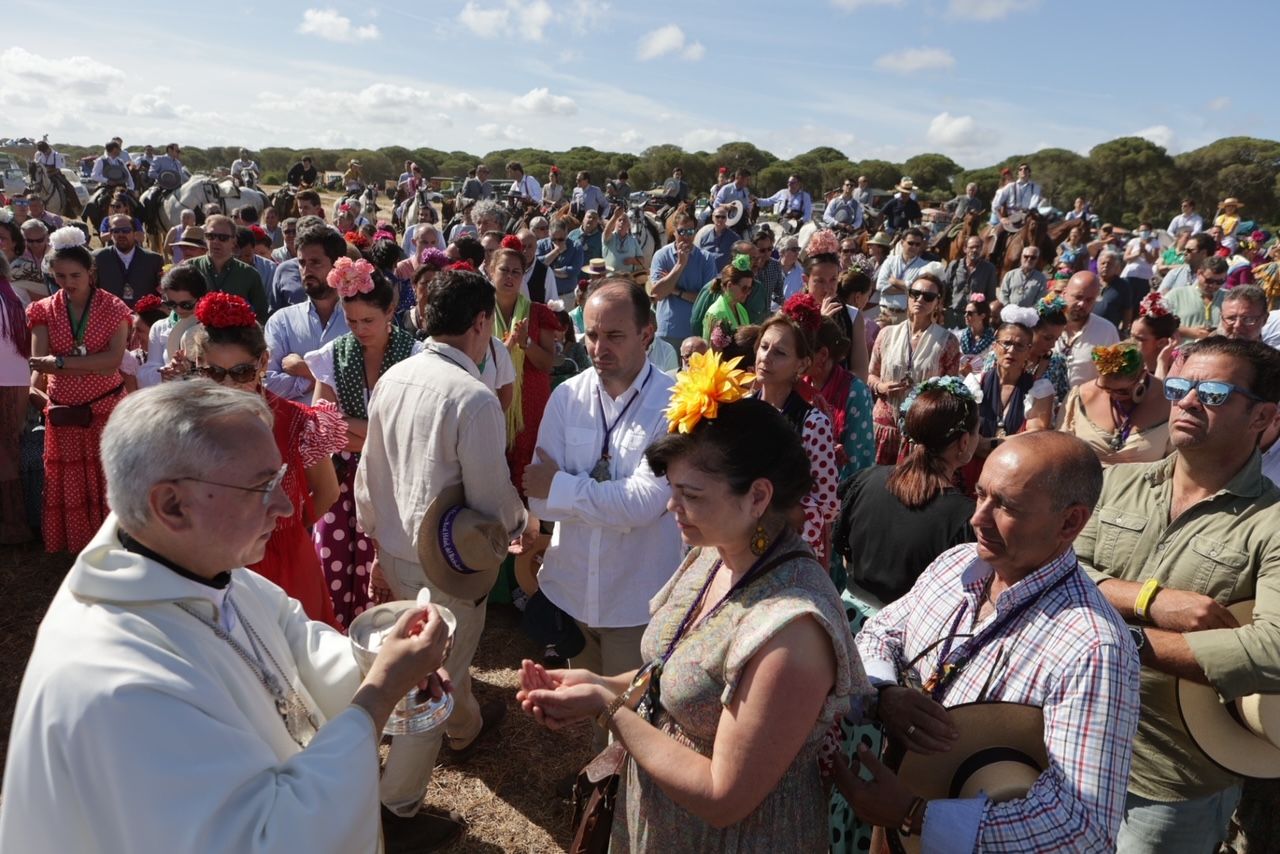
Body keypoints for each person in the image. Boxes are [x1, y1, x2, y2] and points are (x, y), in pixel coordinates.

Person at [0, 379, 458, 854]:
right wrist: (377, 694)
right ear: (172, 504)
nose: (286, 506)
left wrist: (377, 662)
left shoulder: (199, 564)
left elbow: (292, 638)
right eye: (262, 486)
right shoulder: (118, 683)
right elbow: (262, 841)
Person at [518, 390, 866, 852]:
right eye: (672, 490)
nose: (670, 507)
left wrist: (608, 704)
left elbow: (724, 796)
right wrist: (598, 681)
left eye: (691, 494)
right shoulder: (714, 553)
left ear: (759, 496)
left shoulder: (793, 628)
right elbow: (675, 673)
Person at [846, 431, 1141, 852]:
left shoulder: (1092, 649)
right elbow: (881, 631)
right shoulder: (956, 564)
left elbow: (1081, 829)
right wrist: (884, 693)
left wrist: (915, 815)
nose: (977, 518)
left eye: (1005, 506)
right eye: (980, 494)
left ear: (1070, 522)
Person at [1076, 336, 1280, 853]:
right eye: (1179, 386)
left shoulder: (1273, 524)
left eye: (1212, 393)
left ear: (1263, 418)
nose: (1187, 401)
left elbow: (1273, 651)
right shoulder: (1117, 483)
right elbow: (1056, 571)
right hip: (1070, 746)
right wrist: (1151, 601)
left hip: (1170, 783)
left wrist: (1123, 640)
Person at [354, 266, 527, 845]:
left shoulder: (395, 377)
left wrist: (376, 544)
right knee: (432, 687)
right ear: (481, 323)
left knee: (429, 672)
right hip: (448, 562)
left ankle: (467, 727)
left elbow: (367, 474)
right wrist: (520, 525)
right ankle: (394, 811)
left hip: (398, 549)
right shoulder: (473, 398)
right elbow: (489, 499)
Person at [523, 280, 680, 724]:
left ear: (647, 333)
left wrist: (565, 487)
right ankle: (596, 788)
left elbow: (646, 503)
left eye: (614, 335)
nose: (598, 347)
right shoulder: (567, 397)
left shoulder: (673, 405)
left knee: (632, 721)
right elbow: (539, 502)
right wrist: (585, 496)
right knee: (589, 710)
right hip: (573, 590)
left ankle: (621, 792)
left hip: (636, 600)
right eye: (591, 335)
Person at [183, 293, 344, 627]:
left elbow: (326, 492)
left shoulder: (296, 421)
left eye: (240, 372)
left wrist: (286, 527)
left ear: (263, 362)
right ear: (196, 365)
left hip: (285, 562)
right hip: (215, 561)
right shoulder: (187, 422)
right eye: (213, 373)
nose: (227, 385)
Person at [304, 260, 423, 630]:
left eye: (368, 321)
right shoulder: (333, 354)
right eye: (352, 321)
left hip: (394, 482)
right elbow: (321, 424)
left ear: (390, 311)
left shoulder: (416, 356)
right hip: (340, 481)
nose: (359, 330)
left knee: (388, 569)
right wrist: (375, 431)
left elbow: (406, 433)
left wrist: (353, 428)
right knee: (334, 564)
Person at [25, 227, 131, 552]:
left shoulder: (113, 307)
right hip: (64, 414)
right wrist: (81, 364)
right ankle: (80, 546)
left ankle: (116, 543)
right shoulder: (43, 309)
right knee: (69, 481)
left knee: (108, 475)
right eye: (60, 276)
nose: (68, 283)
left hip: (105, 409)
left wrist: (58, 363)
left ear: (91, 272)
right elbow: (36, 365)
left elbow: (113, 362)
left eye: (75, 275)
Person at [836, 377, 978, 608]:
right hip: (907, 633)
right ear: (963, 442)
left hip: (847, 617)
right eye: (976, 432)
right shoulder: (963, 516)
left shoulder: (867, 479)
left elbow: (846, 555)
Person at [753, 310, 840, 566]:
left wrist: (778, 513)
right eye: (764, 347)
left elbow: (828, 505)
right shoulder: (741, 409)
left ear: (801, 365)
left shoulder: (812, 423)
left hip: (786, 550)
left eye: (779, 353)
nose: (766, 357)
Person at [868, 272, 961, 463]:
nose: (920, 299)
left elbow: (951, 389)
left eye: (928, 296)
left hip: (920, 428)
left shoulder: (947, 341)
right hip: (883, 424)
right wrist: (880, 387)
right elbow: (870, 374)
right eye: (915, 293)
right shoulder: (886, 334)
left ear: (938, 302)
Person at [962, 306, 1055, 486]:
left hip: (1015, 473)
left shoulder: (1040, 389)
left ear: (1029, 351)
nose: (1011, 351)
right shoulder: (974, 382)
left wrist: (990, 444)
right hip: (974, 471)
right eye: (1006, 343)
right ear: (995, 346)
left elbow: (1036, 434)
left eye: (1020, 346)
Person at [264, 226, 350, 404]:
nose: (306, 271)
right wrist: (316, 378)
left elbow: (368, 384)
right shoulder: (282, 321)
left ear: (337, 266)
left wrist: (302, 369)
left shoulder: (359, 321)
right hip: (294, 428)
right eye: (302, 263)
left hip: (345, 429)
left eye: (315, 262)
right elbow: (268, 383)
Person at [1062, 341, 1170, 466]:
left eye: (1122, 391)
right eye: (1105, 388)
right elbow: (1062, 448)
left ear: (1142, 376)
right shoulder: (1080, 396)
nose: (1113, 395)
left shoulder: (1168, 401)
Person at [804, 312, 875, 480]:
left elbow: (856, 460)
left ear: (822, 355)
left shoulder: (855, 392)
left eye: (801, 351)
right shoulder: (796, 384)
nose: (796, 358)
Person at [650, 211, 717, 350]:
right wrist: (680, 265)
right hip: (668, 331)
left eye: (690, 231)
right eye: (681, 231)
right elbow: (657, 294)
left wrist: (674, 290)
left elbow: (707, 300)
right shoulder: (661, 256)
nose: (686, 236)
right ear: (673, 232)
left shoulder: (706, 259)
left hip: (696, 333)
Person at [137, 264, 207, 387]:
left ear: (201, 298)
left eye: (186, 305)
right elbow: (147, 370)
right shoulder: (159, 328)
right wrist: (164, 373)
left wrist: (191, 370)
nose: (179, 310)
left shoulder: (214, 326)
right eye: (172, 304)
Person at [0, 251, 29, 543]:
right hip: (14, 383)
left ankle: (11, 527)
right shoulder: (13, 298)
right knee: (7, 455)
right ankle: (13, 525)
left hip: (5, 383)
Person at [189, 214, 268, 321]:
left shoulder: (249, 274)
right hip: (195, 334)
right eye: (211, 236)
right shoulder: (189, 269)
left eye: (223, 238)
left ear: (233, 241)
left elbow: (261, 315)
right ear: (205, 239)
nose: (216, 241)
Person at [1056, 271, 1120, 388]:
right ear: (1064, 293)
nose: (1082, 304)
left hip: (1083, 403)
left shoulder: (1107, 331)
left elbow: (1113, 376)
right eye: (1078, 297)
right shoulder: (1045, 323)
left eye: (1089, 300)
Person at [91, 213, 163, 310]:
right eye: (115, 231)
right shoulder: (98, 258)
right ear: (110, 233)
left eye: (126, 230)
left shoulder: (154, 260)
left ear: (135, 233)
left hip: (143, 319)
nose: (121, 234)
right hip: (109, 318)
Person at [1166, 256, 1229, 343]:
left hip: (1217, 353)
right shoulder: (1176, 295)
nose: (1213, 285)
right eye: (1209, 281)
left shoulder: (1230, 298)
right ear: (1199, 273)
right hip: (1182, 352)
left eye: (1219, 282)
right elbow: (1157, 325)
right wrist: (1187, 331)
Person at [874, 226, 929, 321]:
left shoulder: (924, 266)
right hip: (885, 312)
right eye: (910, 243)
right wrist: (908, 289)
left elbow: (919, 292)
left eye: (918, 244)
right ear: (902, 242)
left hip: (906, 315)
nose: (914, 247)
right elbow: (880, 286)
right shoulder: (890, 261)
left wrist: (895, 282)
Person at [943, 235, 998, 328]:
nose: (974, 250)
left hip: (974, 317)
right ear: (965, 249)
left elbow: (991, 296)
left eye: (978, 247)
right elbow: (944, 287)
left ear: (981, 249)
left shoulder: (989, 269)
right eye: (971, 247)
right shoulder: (954, 265)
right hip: (951, 314)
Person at [701, 260, 753, 339]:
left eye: (749, 289)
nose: (747, 293)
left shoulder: (742, 310)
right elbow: (710, 348)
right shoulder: (714, 314)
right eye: (744, 288)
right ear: (729, 285)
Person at [996, 244, 1048, 311]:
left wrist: (1027, 312)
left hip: (1028, 315)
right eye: (1026, 256)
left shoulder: (1041, 278)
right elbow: (1003, 294)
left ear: (1037, 260)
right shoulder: (1010, 274)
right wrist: (1009, 308)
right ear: (1021, 257)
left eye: (1033, 257)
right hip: (1009, 312)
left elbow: (1040, 299)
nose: (1029, 259)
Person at [992, 162, 1043, 227]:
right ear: (1018, 174)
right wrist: (1001, 218)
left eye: (1026, 169)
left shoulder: (1036, 187)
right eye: (1020, 169)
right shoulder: (1010, 186)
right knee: (998, 234)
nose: (1023, 170)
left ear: (1029, 172)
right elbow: (996, 205)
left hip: (1029, 218)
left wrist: (1028, 213)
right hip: (1011, 219)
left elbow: (1034, 204)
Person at [957, 294, 995, 374]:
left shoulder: (993, 339)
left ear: (982, 316)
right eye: (965, 312)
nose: (965, 315)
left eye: (970, 313)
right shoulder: (959, 336)